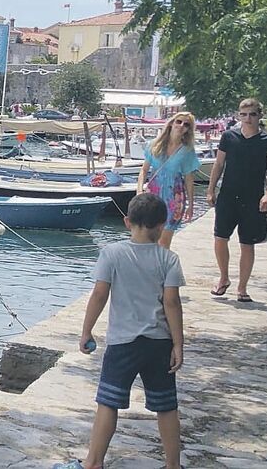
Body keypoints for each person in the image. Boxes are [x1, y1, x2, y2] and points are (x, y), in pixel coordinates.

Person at [55, 193, 185, 469]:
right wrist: (178, 344)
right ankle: (173, 465)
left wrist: (86, 330)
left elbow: (100, 294)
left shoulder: (112, 253)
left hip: (122, 343)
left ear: (127, 222)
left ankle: (94, 462)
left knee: (108, 402)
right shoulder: (169, 259)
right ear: (162, 225)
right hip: (159, 342)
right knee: (166, 406)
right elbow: (172, 303)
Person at [207, 97, 267, 303]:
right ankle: (224, 278)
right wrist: (211, 190)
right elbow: (218, 165)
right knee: (220, 238)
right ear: (238, 116)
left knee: (247, 243)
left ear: (259, 116)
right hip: (228, 195)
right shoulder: (229, 136)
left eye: (252, 114)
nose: (248, 118)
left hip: (253, 197)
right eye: (243, 114)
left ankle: (242, 287)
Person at [136, 112, 200, 249]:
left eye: (186, 124)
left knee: (164, 243)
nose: (181, 125)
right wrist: (139, 191)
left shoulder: (187, 150)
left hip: (174, 197)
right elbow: (144, 170)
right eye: (179, 122)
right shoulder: (155, 145)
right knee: (148, 239)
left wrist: (191, 205)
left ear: (189, 129)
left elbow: (189, 178)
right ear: (171, 123)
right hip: (153, 195)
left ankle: (161, 269)